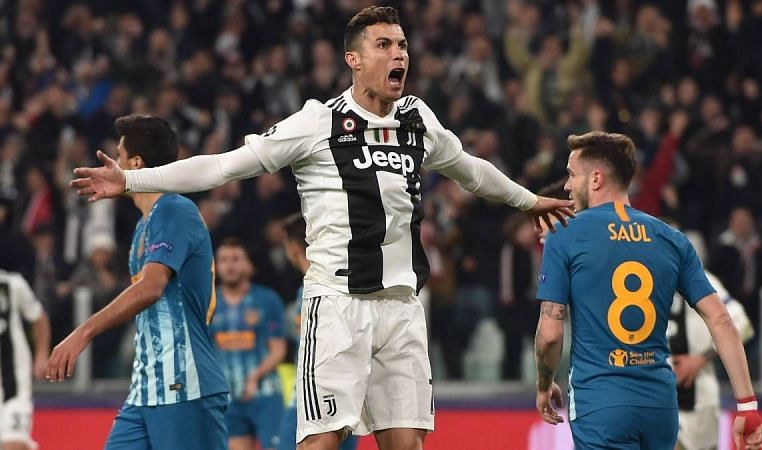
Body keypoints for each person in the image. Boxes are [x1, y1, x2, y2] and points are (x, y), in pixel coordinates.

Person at [69, 7, 574, 450]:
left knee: (406, 442)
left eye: (402, 45)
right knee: (321, 442)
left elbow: (469, 168)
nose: (399, 54)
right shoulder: (318, 123)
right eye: (384, 45)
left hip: (402, 307)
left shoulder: (417, 118)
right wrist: (132, 178)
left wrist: (527, 200)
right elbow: (222, 167)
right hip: (337, 305)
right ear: (354, 59)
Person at [533, 131, 762, 450]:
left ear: (596, 178)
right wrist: (748, 407)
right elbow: (722, 321)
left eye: (572, 175)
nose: (567, 186)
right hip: (660, 405)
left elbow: (550, 333)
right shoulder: (672, 239)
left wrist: (544, 384)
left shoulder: (565, 236)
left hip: (601, 402)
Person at [47, 114, 229, 450]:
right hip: (146, 390)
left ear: (136, 162)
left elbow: (151, 287)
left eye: (118, 156)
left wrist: (82, 332)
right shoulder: (144, 225)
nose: (113, 164)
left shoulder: (175, 209)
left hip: (184, 386)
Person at [278, 213, 357, 450]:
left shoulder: (314, 289)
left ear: (292, 247)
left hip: (311, 395)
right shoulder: (341, 284)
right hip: (344, 394)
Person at [211, 237, 287, 450]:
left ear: (248, 265)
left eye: (236, 259)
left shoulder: (267, 300)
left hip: (265, 394)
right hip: (228, 398)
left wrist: (254, 376)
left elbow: (278, 349)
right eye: (224, 260)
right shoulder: (210, 304)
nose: (230, 265)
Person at [669, 268, 754, 450]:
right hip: (655, 396)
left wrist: (701, 359)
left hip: (698, 400)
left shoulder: (697, 275)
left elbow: (741, 323)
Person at [0, 270, 50, 450]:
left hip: (15, 386)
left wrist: (41, 355)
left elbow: (39, 318)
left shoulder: (12, 284)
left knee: (14, 445)